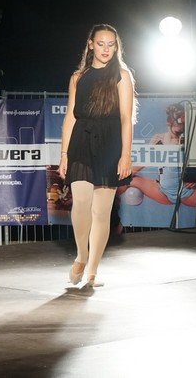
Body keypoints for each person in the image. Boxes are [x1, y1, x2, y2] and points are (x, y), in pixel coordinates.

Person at [59, 23, 136, 288]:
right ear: (90, 45)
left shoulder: (122, 76)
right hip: (81, 141)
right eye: (101, 43)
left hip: (110, 144)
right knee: (80, 202)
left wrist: (125, 155)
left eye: (111, 44)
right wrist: (64, 154)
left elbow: (126, 118)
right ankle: (81, 256)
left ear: (116, 47)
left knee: (101, 213)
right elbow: (70, 117)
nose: (105, 49)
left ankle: (92, 271)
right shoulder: (77, 77)